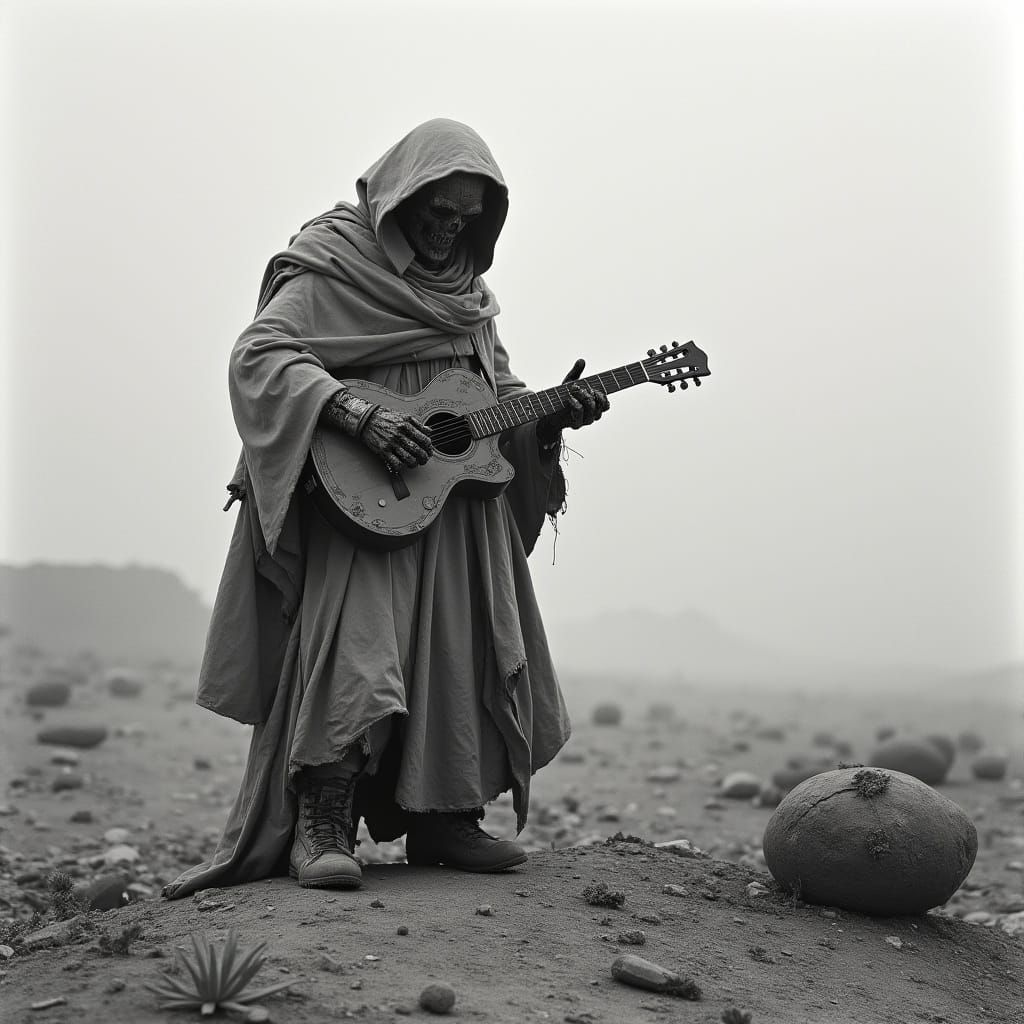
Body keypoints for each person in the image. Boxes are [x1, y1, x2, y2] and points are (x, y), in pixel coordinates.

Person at [163, 118, 609, 898]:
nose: (447, 231)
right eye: (436, 211)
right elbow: (261, 354)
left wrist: (549, 415)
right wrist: (354, 413)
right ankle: (320, 822)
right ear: (402, 194)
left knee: (462, 652)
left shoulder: (470, 296)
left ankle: (446, 817)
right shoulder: (335, 261)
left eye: (466, 219)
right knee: (355, 653)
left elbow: (491, 393)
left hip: (455, 510)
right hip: (360, 500)